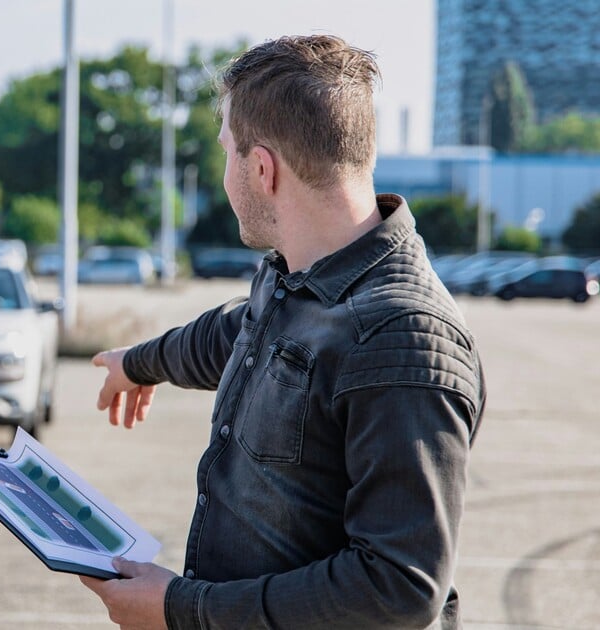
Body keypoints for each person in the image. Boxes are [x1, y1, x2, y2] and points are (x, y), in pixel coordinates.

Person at [82, 35, 485, 629]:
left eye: (227, 153)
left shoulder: (403, 338)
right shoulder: (296, 277)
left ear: (263, 168)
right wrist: (140, 362)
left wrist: (182, 610)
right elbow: (236, 336)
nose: (225, 174)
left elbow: (397, 588)